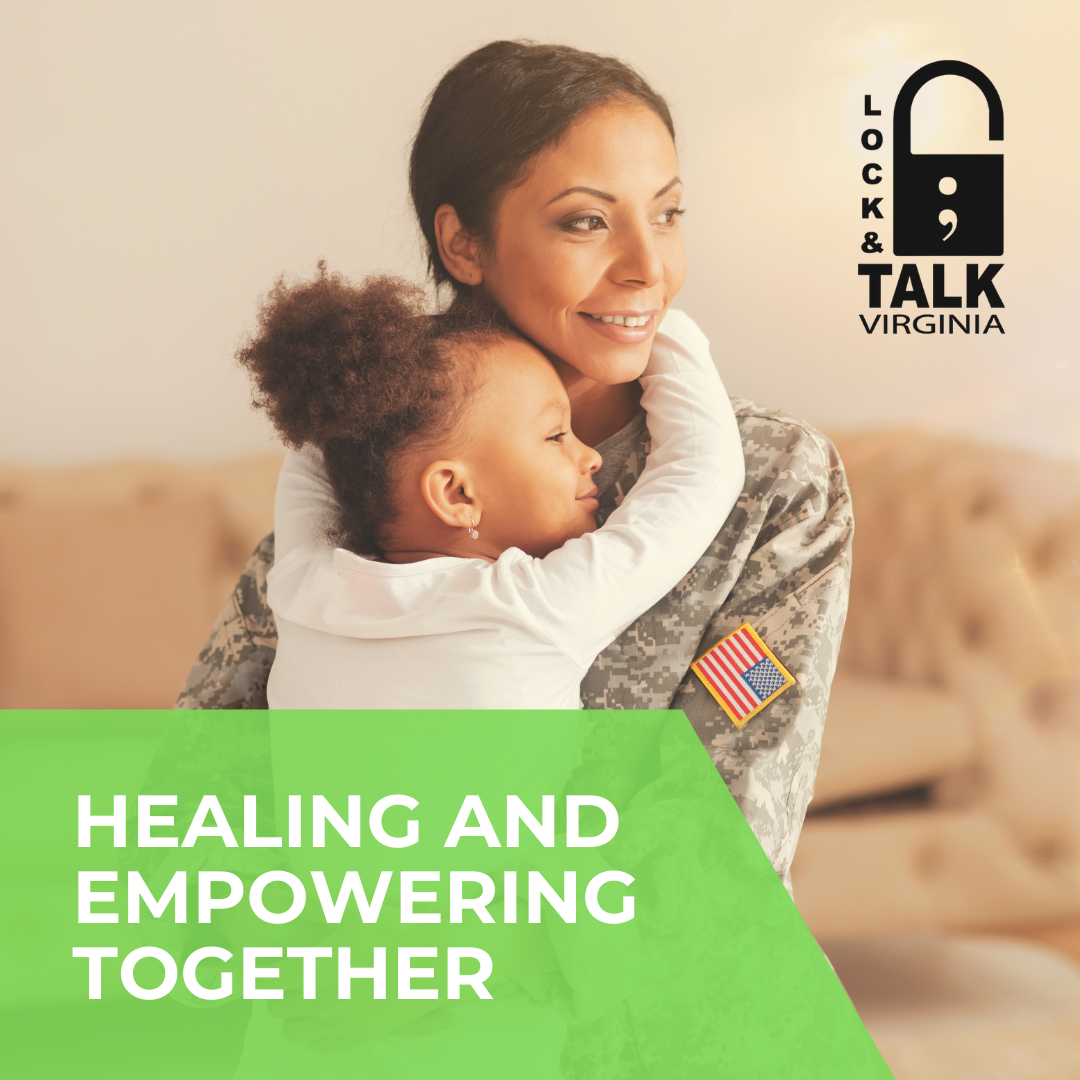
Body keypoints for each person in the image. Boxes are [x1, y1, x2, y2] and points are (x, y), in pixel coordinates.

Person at [174, 39, 853, 1069]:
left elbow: (725, 819)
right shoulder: (391, 449)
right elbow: (209, 767)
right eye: (587, 220)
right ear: (464, 241)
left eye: (667, 213)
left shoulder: (774, 485)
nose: (647, 266)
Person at [239, 268, 742, 709]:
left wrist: (376, 370)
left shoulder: (304, 585)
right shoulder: (532, 608)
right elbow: (700, 473)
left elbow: (317, 443)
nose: (589, 455)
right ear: (457, 495)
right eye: (556, 435)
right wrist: (649, 318)